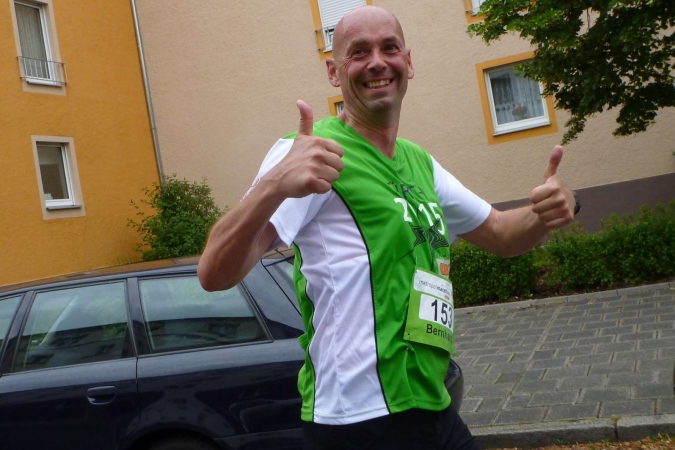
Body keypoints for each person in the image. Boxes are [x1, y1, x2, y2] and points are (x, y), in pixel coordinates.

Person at [198, 5, 576, 450]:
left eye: (389, 48)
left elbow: (500, 233)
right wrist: (273, 184)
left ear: (408, 62)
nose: (377, 62)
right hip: (357, 419)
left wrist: (547, 211)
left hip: (430, 401)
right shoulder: (311, 154)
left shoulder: (420, 163)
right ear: (334, 72)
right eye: (359, 52)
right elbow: (214, 272)